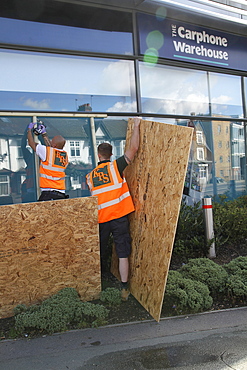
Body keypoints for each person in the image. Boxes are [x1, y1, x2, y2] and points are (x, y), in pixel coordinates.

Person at [86, 117, 141, 301]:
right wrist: (136, 126)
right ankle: (124, 288)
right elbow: (133, 149)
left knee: (98, 252)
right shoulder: (116, 167)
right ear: (110, 154)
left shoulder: (90, 176)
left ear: (99, 155)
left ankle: (97, 287)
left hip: (101, 219)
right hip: (118, 217)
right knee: (122, 252)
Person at [27, 122, 69, 201]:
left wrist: (29, 130)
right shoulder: (64, 156)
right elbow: (51, 147)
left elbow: (31, 143)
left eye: (52, 141)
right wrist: (44, 134)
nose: (50, 142)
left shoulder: (47, 151)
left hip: (49, 193)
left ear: (54, 145)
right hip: (61, 193)